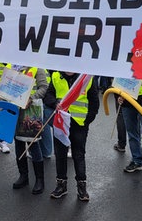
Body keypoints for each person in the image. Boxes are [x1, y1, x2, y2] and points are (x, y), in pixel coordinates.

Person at [45, 71, 99, 201]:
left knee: (78, 154)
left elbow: (94, 102)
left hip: (79, 123)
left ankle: (82, 187)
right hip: (61, 122)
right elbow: (48, 95)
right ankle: (61, 186)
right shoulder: (56, 76)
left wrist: (87, 121)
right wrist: (54, 103)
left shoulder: (86, 78)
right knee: (60, 154)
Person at [11, 65, 48, 195]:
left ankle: (39, 180)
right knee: (18, 142)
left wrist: (31, 98)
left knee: (33, 143)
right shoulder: (13, 67)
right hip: (15, 109)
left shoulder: (37, 67)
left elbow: (44, 87)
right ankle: (23, 176)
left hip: (31, 110)